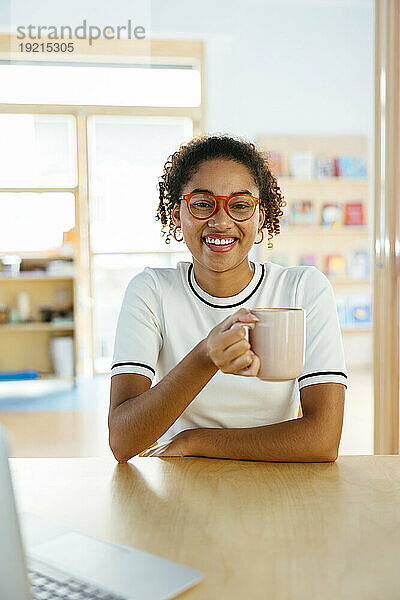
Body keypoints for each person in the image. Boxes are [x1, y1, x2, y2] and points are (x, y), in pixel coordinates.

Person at [108, 135, 347, 463]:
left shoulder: (304, 289)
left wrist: (196, 441)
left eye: (240, 205)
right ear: (177, 214)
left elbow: (322, 441)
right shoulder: (151, 291)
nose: (221, 221)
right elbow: (123, 441)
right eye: (203, 203)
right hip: (181, 486)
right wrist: (206, 355)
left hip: (277, 484)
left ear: (260, 217)